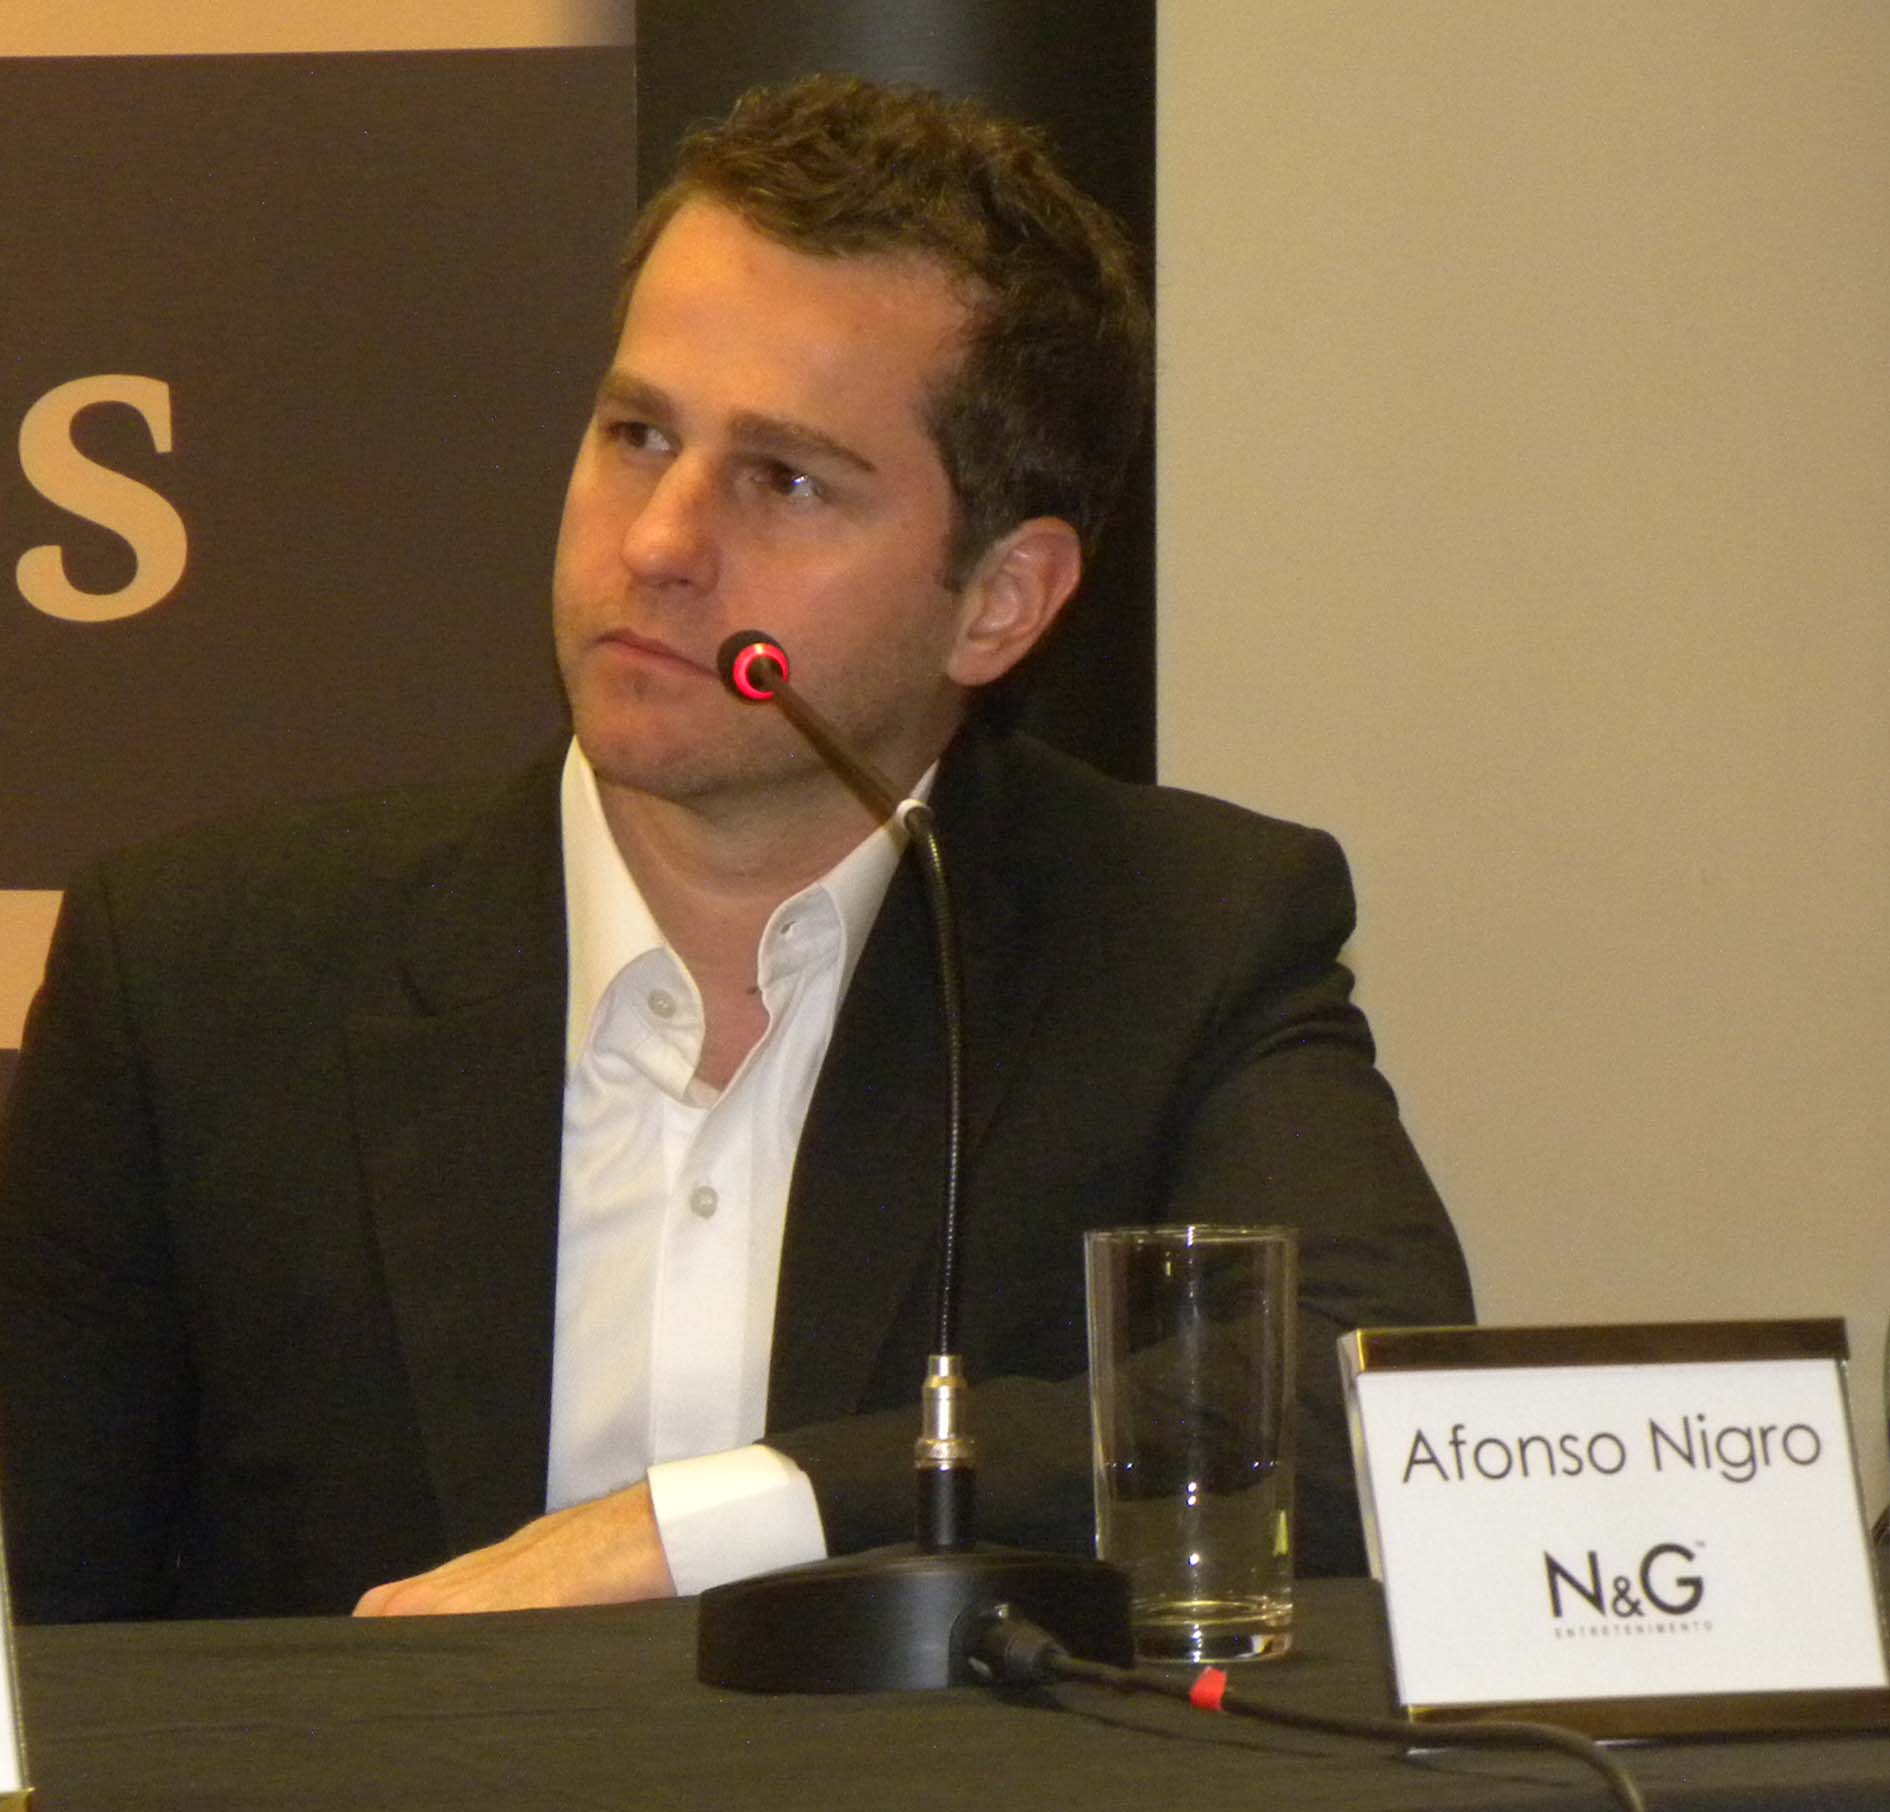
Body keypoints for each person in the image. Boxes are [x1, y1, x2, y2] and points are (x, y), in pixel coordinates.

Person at [0, 74, 1472, 1624]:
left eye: (784, 481)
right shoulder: (203, 977)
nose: (656, 543)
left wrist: (750, 1515)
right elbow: (40, 1619)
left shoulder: (1178, 941)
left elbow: (1370, 1411)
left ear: (998, 603)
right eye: (637, 434)